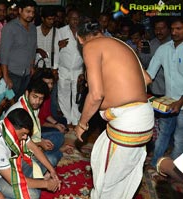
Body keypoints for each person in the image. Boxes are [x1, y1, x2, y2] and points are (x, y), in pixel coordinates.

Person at [75, 22, 154, 199]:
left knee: (109, 180)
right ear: (101, 32)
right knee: (102, 154)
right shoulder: (121, 44)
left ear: (80, 39)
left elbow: (96, 95)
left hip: (128, 121)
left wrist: (81, 124)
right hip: (143, 117)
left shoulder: (90, 46)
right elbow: (147, 79)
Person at [0, 108, 61, 198]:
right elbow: (13, 180)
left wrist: (52, 171)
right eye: (23, 134)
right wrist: (46, 184)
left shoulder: (10, 128)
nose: (25, 137)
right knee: (33, 195)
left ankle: (33, 180)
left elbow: (34, 148)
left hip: (15, 166)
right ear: (13, 128)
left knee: (52, 159)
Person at [147, 17, 183, 167]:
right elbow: (149, 74)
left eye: (179, 29)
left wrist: (180, 102)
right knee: (163, 134)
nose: (174, 32)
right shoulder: (163, 49)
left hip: (182, 103)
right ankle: (156, 163)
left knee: (179, 138)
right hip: (168, 101)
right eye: (173, 29)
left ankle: (174, 169)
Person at [6, 79, 64, 171]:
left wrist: (41, 141)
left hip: (33, 140)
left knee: (59, 136)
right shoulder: (18, 111)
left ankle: (48, 152)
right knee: (52, 159)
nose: (37, 101)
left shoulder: (33, 105)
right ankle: (52, 153)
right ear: (27, 93)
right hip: (19, 151)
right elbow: (16, 144)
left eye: (41, 99)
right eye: (35, 97)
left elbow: (35, 131)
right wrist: (39, 143)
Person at [0, 0, 37, 101]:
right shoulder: (10, 28)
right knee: (10, 102)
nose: (31, 15)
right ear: (20, 10)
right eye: (28, 11)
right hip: (13, 73)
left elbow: (33, 49)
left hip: (27, 73)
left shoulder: (33, 28)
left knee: (22, 101)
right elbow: (4, 53)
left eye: (33, 12)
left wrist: (32, 67)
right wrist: (6, 76)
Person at [54, 9, 83, 127]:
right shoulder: (61, 31)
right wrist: (55, 68)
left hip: (78, 69)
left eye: (77, 18)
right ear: (68, 19)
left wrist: (85, 71)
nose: (75, 21)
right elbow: (56, 50)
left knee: (77, 95)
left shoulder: (83, 32)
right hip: (63, 69)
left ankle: (76, 119)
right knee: (63, 94)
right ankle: (67, 119)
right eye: (73, 18)